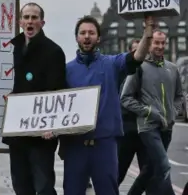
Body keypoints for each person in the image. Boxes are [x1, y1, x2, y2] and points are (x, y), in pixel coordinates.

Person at [60, 15, 153, 195]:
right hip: (75, 146)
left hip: (105, 145)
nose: (87, 36)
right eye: (83, 33)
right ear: (77, 38)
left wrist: (148, 32)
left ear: (99, 38)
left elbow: (137, 56)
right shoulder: (66, 70)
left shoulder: (112, 63)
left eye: (91, 33)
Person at [2, 2, 67, 195]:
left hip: (41, 134)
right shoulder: (11, 49)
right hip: (17, 131)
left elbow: (58, 91)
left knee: (44, 187)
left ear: (42, 22)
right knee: (20, 185)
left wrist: (52, 126)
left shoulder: (53, 51)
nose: (30, 21)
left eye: (34, 18)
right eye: (27, 17)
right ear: (20, 22)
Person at [121, 29, 182, 195]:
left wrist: (173, 113)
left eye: (163, 43)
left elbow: (179, 96)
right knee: (163, 165)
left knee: (149, 169)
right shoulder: (139, 68)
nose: (160, 46)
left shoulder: (173, 68)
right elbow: (125, 98)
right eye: (156, 42)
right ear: (149, 44)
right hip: (147, 127)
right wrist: (149, 112)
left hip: (167, 127)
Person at [117, 39, 145, 188]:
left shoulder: (148, 71)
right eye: (136, 51)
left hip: (145, 129)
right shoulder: (123, 72)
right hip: (127, 128)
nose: (139, 55)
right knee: (118, 172)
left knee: (149, 172)